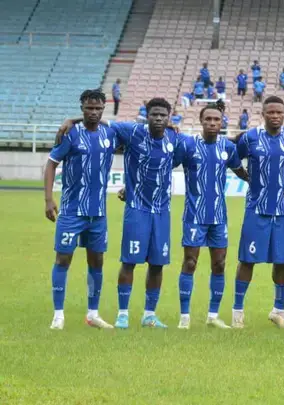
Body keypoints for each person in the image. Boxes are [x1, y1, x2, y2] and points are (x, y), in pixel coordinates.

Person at [58, 98, 182, 329]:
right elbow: (98, 120)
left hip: (162, 211)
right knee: (129, 261)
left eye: (163, 115)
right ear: (146, 116)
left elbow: (174, 161)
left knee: (157, 264)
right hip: (136, 210)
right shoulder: (132, 131)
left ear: (169, 117)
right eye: (154, 114)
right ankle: (122, 314)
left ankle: (149, 315)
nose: (158, 118)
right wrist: (72, 120)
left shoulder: (174, 138)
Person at [44, 89, 117, 330]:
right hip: (71, 211)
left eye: (98, 108)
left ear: (103, 109)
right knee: (63, 258)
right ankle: (58, 315)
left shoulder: (110, 133)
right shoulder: (71, 134)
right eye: (89, 108)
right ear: (82, 108)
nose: (93, 112)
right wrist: (48, 199)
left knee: (97, 261)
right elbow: (51, 164)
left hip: (98, 213)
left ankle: (92, 314)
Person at [173, 104, 247, 329]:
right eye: (208, 119)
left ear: (222, 121)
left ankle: (213, 316)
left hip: (219, 216)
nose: (213, 123)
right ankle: (184, 317)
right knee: (190, 262)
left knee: (220, 264)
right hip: (194, 215)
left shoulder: (228, 148)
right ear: (201, 121)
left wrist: (265, 185)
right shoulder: (188, 145)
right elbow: (166, 164)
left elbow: (241, 172)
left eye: (217, 119)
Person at [232, 96, 284, 329]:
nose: (275, 116)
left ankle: (279, 311)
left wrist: (280, 180)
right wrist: (247, 177)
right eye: (270, 112)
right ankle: (237, 312)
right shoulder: (250, 137)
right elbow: (233, 158)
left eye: (279, 112)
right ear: (262, 114)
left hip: (282, 210)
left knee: (283, 261)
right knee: (247, 260)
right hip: (256, 209)